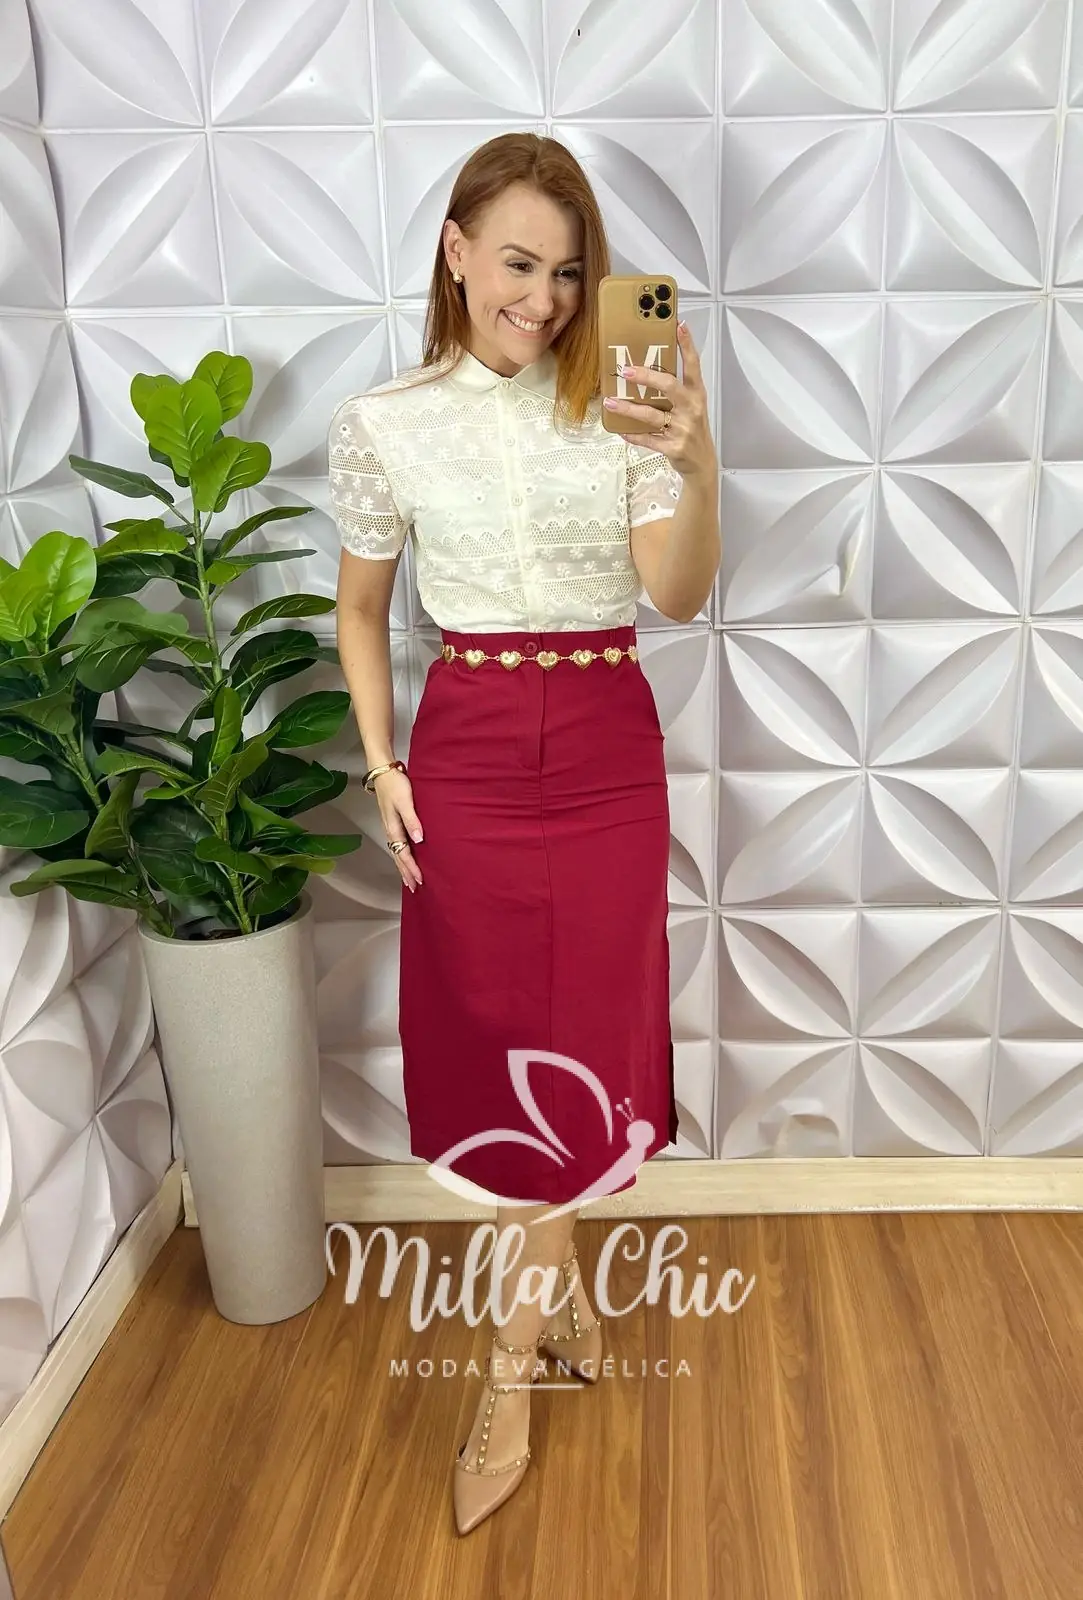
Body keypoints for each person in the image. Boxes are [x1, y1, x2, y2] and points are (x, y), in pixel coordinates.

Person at [329, 132, 719, 1536]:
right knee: (498, 1038)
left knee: (589, 1033)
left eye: (568, 272)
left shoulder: (622, 406)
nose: (544, 300)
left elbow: (676, 595)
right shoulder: (384, 423)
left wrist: (696, 456)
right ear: (455, 252)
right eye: (516, 264)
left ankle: (507, 1377)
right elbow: (361, 610)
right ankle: (545, 1319)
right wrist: (382, 764)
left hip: (606, 747)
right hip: (470, 752)